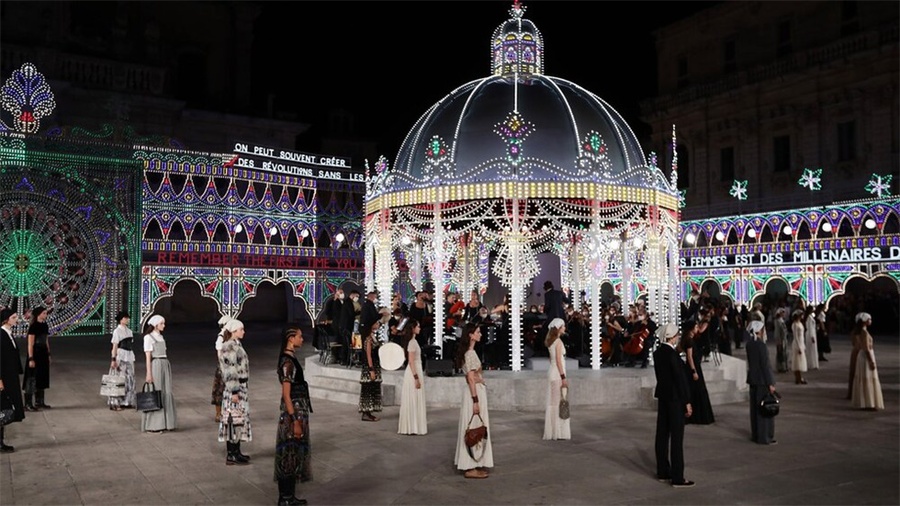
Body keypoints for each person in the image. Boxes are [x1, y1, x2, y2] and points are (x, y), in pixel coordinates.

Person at [653, 323, 693, 488]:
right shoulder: (672, 355)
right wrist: (687, 402)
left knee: (662, 434)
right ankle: (677, 476)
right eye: (676, 335)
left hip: (663, 396)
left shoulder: (658, 353)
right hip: (675, 399)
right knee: (677, 437)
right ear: (672, 337)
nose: (678, 337)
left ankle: (662, 470)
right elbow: (679, 380)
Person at [275, 327, 311, 506]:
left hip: (298, 410)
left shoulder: (291, 358)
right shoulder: (287, 362)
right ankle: (286, 498)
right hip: (293, 413)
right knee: (289, 454)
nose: (302, 339)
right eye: (299, 336)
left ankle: (289, 496)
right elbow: (286, 394)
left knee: (294, 454)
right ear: (291, 338)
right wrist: (295, 420)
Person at [454, 323, 493, 479]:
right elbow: (470, 378)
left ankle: (474, 462)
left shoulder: (471, 352)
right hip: (474, 393)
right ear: (470, 335)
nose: (480, 334)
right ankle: (470, 466)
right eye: (477, 332)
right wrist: (475, 400)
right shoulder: (470, 354)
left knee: (476, 427)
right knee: (474, 427)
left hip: (476, 391)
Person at [218, 319, 252, 465]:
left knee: (238, 419)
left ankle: (236, 451)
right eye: (241, 329)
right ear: (233, 331)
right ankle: (231, 454)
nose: (243, 332)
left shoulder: (236, 344)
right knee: (233, 419)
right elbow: (230, 370)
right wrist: (234, 391)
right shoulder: (229, 346)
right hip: (235, 388)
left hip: (240, 387)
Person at [142, 314, 177, 433]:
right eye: (161, 323)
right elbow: (148, 357)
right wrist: (149, 373)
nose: (164, 325)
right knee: (157, 392)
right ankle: (154, 425)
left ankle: (166, 422)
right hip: (156, 364)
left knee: (166, 391)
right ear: (155, 325)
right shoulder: (148, 337)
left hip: (165, 364)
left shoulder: (161, 337)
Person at [746, 320, 778, 445]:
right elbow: (765, 366)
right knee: (764, 410)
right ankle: (765, 436)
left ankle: (756, 435)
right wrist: (771, 383)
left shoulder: (749, 344)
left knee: (755, 409)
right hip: (762, 380)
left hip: (753, 379)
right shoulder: (761, 345)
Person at [0, 308, 25, 453]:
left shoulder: (8, 333)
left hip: (10, 376)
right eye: (14, 317)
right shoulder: (2, 335)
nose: (17, 319)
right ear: (6, 319)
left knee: (4, 409)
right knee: (3, 409)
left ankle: (1, 442)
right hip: (4, 378)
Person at [681, 320, 714, 425]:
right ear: (691, 329)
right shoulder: (689, 341)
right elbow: (689, 357)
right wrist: (693, 371)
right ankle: (699, 416)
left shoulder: (688, 339)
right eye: (695, 327)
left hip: (694, 366)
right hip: (693, 367)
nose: (697, 329)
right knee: (698, 390)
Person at [398, 318, 427, 435]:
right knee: (413, 398)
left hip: (416, 370)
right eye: (418, 326)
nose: (419, 328)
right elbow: (411, 361)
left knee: (415, 398)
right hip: (413, 372)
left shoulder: (413, 341)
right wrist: (416, 377)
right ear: (413, 328)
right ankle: (412, 427)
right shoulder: (412, 343)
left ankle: (414, 426)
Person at [543, 318, 571, 440]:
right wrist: (563, 377)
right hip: (557, 374)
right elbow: (559, 361)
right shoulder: (558, 342)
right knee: (558, 403)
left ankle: (553, 430)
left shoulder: (551, 341)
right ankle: (557, 432)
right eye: (563, 326)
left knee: (553, 402)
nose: (565, 328)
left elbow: (551, 359)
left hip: (552, 372)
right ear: (558, 329)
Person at [850, 313, 884, 411]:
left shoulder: (858, 332)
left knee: (863, 377)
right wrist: (871, 361)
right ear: (865, 321)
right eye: (869, 319)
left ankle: (865, 401)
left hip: (861, 355)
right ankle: (869, 402)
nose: (870, 321)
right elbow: (866, 348)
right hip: (865, 356)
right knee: (868, 377)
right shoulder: (864, 332)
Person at [22, 307, 52, 411]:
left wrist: (48, 354)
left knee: (42, 376)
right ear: (38, 314)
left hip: (43, 353)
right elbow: (30, 344)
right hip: (35, 353)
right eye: (44, 313)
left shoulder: (45, 325)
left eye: (46, 313)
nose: (46, 315)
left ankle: (40, 401)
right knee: (32, 378)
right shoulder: (33, 326)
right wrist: (31, 358)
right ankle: (28, 403)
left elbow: (46, 340)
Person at [108, 310, 136, 411]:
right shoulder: (117, 331)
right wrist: (113, 359)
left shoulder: (129, 331)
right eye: (125, 318)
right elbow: (115, 346)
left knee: (130, 379)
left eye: (127, 318)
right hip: (121, 355)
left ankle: (127, 401)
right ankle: (115, 402)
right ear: (121, 319)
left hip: (129, 355)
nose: (127, 319)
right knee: (119, 379)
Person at [358, 320, 383, 422]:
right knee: (368, 389)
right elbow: (368, 355)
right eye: (376, 323)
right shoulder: (368, 339)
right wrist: (371, 369)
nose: (378, 325)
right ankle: (366, 413)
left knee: (372, 388)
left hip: (375, 365)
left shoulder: (373, 337)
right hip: (370, 367)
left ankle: (369, 412)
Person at [211, 314, 232, 423]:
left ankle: (229, 412)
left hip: (230, 366)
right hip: (223, 366)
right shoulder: (221, 337)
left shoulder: (230, 336)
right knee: (220, 390)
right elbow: (219, 354)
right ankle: (218, 413)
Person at [847, 313, 867, 400]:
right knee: (858, 372)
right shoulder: (862, 332)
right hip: (859, 351)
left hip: (855, 351)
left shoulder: (854, 332)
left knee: (853, 372)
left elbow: (853, 342)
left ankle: (851, 392)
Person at [790, 310, 808, 385]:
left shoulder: (800, 323)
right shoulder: (794, 324)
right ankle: (798, 378)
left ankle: (799, 378)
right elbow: (796, 336)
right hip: (797, 344)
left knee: (800, 361)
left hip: (801, 342)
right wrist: (798, 347)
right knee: (797, 362)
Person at [772, 308, 789, 373]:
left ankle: (785, 366)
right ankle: (780, 367)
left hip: (784, 339)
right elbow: (777, 332)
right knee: (780, 354)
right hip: (780, 340)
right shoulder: (777, 321)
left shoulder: (782, 320)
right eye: (783, 313)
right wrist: (778, 341)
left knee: (784, 354)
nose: (784, 314)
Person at [803, 306, 819, 371]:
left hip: (812, 333)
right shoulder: (809, 318)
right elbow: (809, 327)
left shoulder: (810, 317)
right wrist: (812, 336)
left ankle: (813, 363)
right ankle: (811, 364)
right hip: (810, 334)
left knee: (812, 349)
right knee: (811, 349)